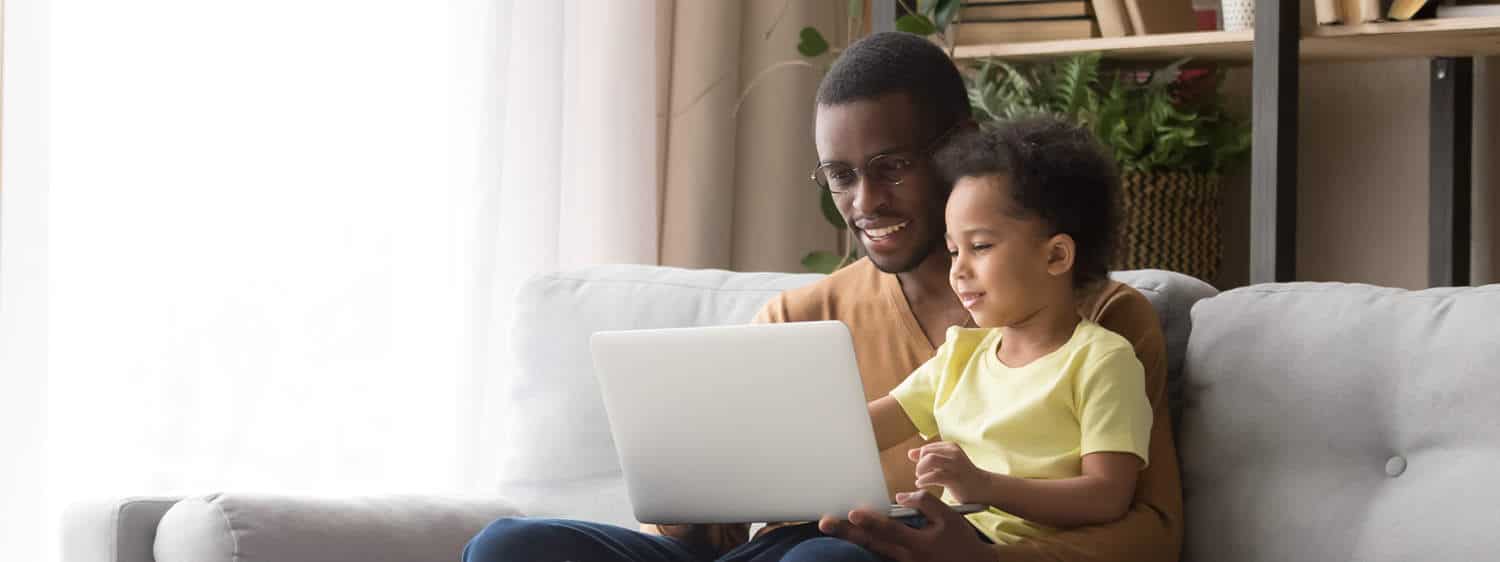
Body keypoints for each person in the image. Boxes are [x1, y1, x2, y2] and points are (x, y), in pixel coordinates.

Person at [462, 31, 1181, 562]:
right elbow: (711, 531)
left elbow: (1150, 532)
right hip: (773, 552)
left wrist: (981, 557)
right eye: (840, 176)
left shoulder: (1103, 321)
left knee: (826, 559)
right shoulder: (799, 320)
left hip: (859, 557)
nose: (865, 201)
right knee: (505, 547)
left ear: (958, 146)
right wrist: (695, 481)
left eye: (891, 166)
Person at [846, 117, 1153, 556]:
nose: (958, 269)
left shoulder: (1101, 360)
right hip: (935, 534)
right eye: (953, 250)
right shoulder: (961, 354)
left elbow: (1107, 496)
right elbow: (862, 429)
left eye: (981, 247)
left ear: (1056, 255)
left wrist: (982, 485)